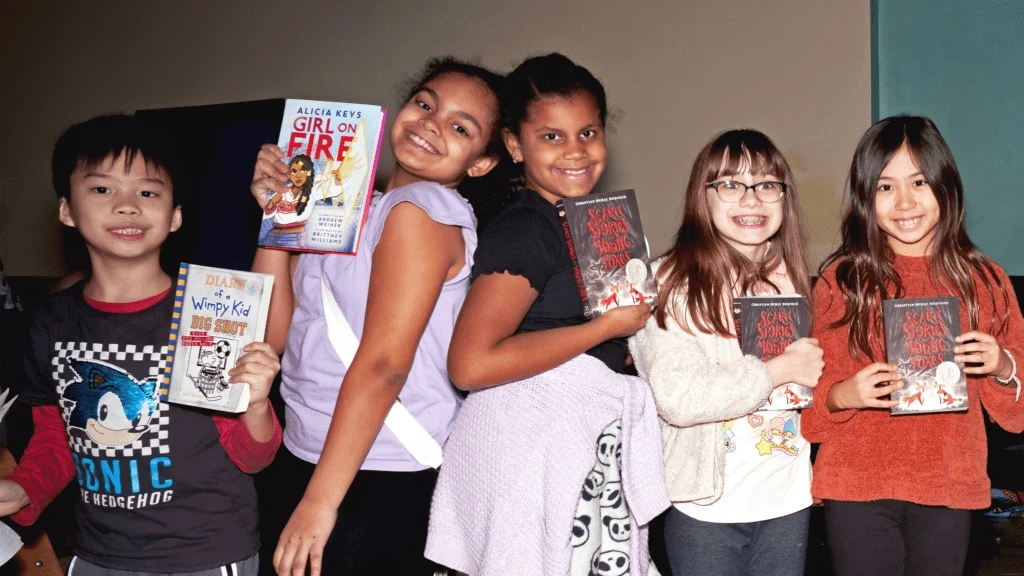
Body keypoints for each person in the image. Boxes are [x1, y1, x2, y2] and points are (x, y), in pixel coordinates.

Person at [250, 58, 504, 575]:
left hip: (377, 471)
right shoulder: (347, 203)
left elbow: (386, 362)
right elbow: (276, 334)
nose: (432, 123)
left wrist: (321, 501)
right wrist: (277, 215)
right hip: (310, 449)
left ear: (481, 163)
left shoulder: (421, 209)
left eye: (460, 126)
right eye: (425, 104)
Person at [0, 113, 282, 575]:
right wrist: (22, 490)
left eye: (148, 192)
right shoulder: (48, 321)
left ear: (174, 217)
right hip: (97, 555)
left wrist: (255, 403)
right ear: (66, 209)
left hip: (205, 556)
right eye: (102, 189)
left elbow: (254, 455)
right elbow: (56, 438)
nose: (128, 205)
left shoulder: (210, 311)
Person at [426, 53, 667, 576]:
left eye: (588, 132)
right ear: (514, 145)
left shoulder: (588, 224)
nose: (576, 152)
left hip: (577, 449)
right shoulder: (527, 228)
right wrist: (603, 329)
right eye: (551, 137)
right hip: (530, 459)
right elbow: (470, 363)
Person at [802, 115, 1024, 576]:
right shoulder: (842, 281)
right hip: (857, 486)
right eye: (885, 187)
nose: (904, 201)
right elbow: (807, 403)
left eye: (919, 182)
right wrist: (847, 394)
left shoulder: (984, 280)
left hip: (947, 484)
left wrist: (1001, 366)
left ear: (946, 186)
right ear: (866, 196)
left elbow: (1016, 413)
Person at [629, 129, 824, 576]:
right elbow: (679, 398)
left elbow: (812, 384)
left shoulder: (794, 278)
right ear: (704, 195)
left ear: (784, 197)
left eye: (767, 185)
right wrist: (775, 372)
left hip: (786, 499)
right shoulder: (667, 282)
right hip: (704, 504)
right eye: (731, 185)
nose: (751, 200)